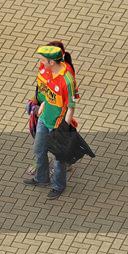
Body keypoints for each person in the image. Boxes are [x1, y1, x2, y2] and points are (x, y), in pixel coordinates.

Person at [24, 45, 77, 200]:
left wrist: (64, 128)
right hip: (44, 119)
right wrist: (42, 106)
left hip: (57, 124)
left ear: (52, 62)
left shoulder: (67, 81)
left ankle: (58, 186)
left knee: (58, 158)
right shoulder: (45, 72)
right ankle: (41, 179)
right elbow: (46, 94)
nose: (40, 62)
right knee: (39, 150)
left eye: (42, 60)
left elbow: (71, 107)